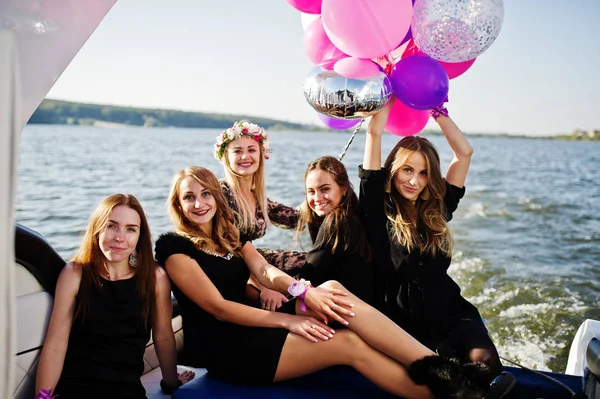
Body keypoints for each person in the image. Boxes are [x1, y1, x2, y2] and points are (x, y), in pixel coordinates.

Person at [154, 166, 498, 399]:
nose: (199, 204)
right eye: (189, 197)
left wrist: (303, 291)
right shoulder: (175, 249)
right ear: (178, 204)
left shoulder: (232, 235)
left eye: (205, 194)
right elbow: (220, 308)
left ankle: (442, 370)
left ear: (216, 197)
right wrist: (170, 382)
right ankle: (454, 393)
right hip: (231, 350)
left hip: (257, 328)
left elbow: (263, 272)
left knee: (332, 290)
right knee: (346, 344)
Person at [360, 97, 505, 377]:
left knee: (486, 364)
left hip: (450, 310)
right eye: (407, 170)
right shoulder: (377, 207)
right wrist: (390, 91)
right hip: (400, 321)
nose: (414, 181)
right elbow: (373, 132)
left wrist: (435, 109)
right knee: (439, 382)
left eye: (423, 173)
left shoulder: (438, 208)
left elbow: (464, 153)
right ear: (393, 170)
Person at [35, 194, 194, 399]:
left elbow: (163, 336)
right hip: (76, 389)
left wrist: (171, 382)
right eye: (111, 226)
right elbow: (55, 345)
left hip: (126, 391)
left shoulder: (154, 278)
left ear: (139, 236)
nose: (120, 237)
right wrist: (42, 396)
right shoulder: (74, 274)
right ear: (97, 228)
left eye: (130, 229)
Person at [213, 120, 306, 311]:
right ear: (226, 157)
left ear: (261, 155)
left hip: (253, 262)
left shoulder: (257, 196)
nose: (245, 156)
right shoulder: (221, 193)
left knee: (309, 262)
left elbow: (296, 219)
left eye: (251, 150)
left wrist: (317, 194)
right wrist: (264, 288)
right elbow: (235, 249)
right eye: (237, 151)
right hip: (232, 267)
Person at [294, 156, 373, 304]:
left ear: (343, 188)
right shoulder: (353, 217)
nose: (317, 198)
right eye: (311, 191)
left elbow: (308, 277)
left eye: (325, 189)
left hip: (349, 311)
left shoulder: (337, 222)